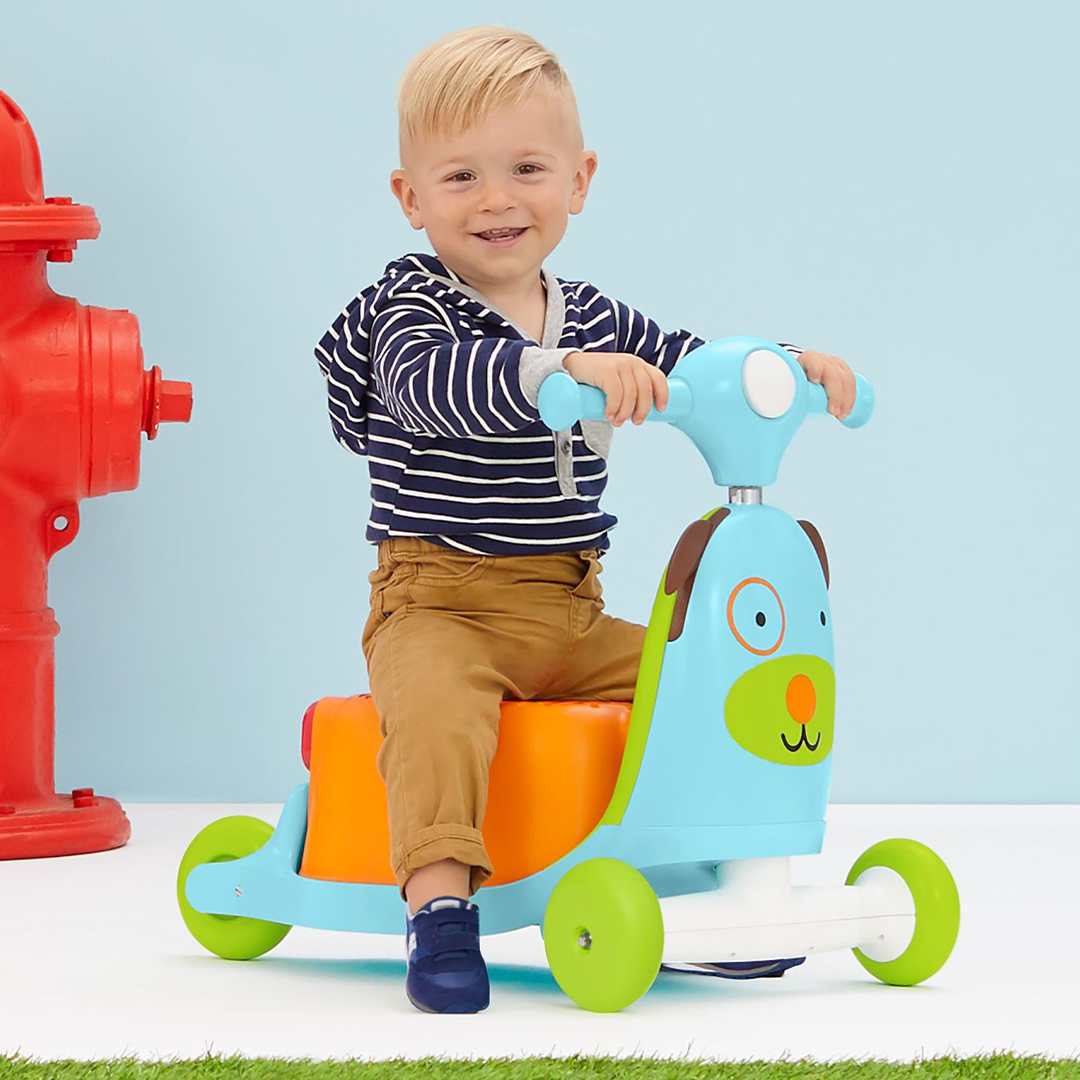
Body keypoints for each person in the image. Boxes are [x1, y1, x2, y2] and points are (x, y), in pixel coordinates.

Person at [315, 25, 856, 1014]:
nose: (496, 199)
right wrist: (554, 373)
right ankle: (440, 905)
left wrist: (786, 366)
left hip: (571, 610)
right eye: (461, 176)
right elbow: (436, 386)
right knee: (437, 718)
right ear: (411, 197)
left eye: (527, 169)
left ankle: (717, 871)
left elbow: (696, 364)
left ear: (579, 180)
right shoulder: (411, 308)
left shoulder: (597, 317)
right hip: (440, 603)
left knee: (697, 678)